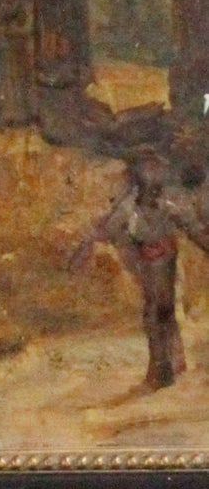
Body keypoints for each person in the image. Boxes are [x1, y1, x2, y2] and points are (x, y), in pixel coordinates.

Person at [83, 146, 209, 389]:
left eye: (154, 172)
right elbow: (109, 229)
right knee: (158, 311)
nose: (152, 178)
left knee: (161, 311)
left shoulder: (167, 205)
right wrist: (93, 244)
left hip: (165, 262)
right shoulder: (129, 207)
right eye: (147, 173)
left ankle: (165, 368)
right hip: (147, 264)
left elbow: (193, 229)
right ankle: (164, 367)